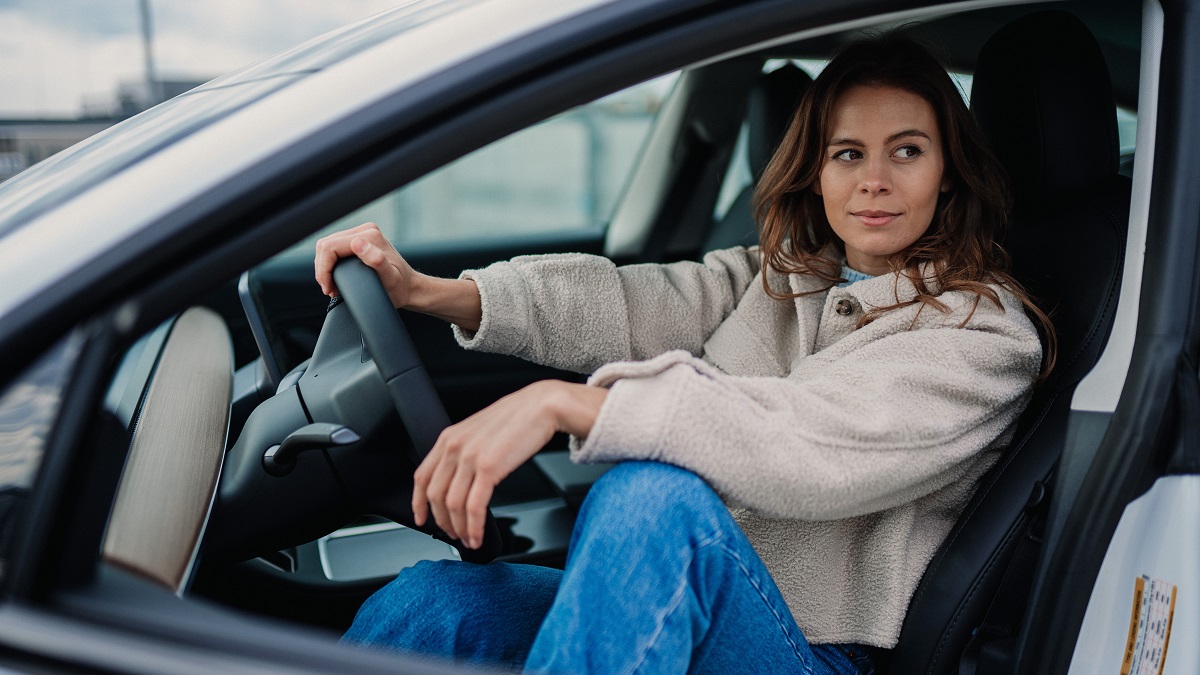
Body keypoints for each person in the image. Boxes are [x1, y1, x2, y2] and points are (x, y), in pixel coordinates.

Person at [313, 34, 1050, 675]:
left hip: (818, 652)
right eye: (848, 153)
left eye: (907, 152)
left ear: (947, 170)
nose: (874, 180)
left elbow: (804, 435)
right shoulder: (785, 275)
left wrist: (564, 402)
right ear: (817, 171)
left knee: (651, 502)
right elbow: (628, 302)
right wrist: (425, 291)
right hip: (696, 597)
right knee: (434, 604)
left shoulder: (985, 336)